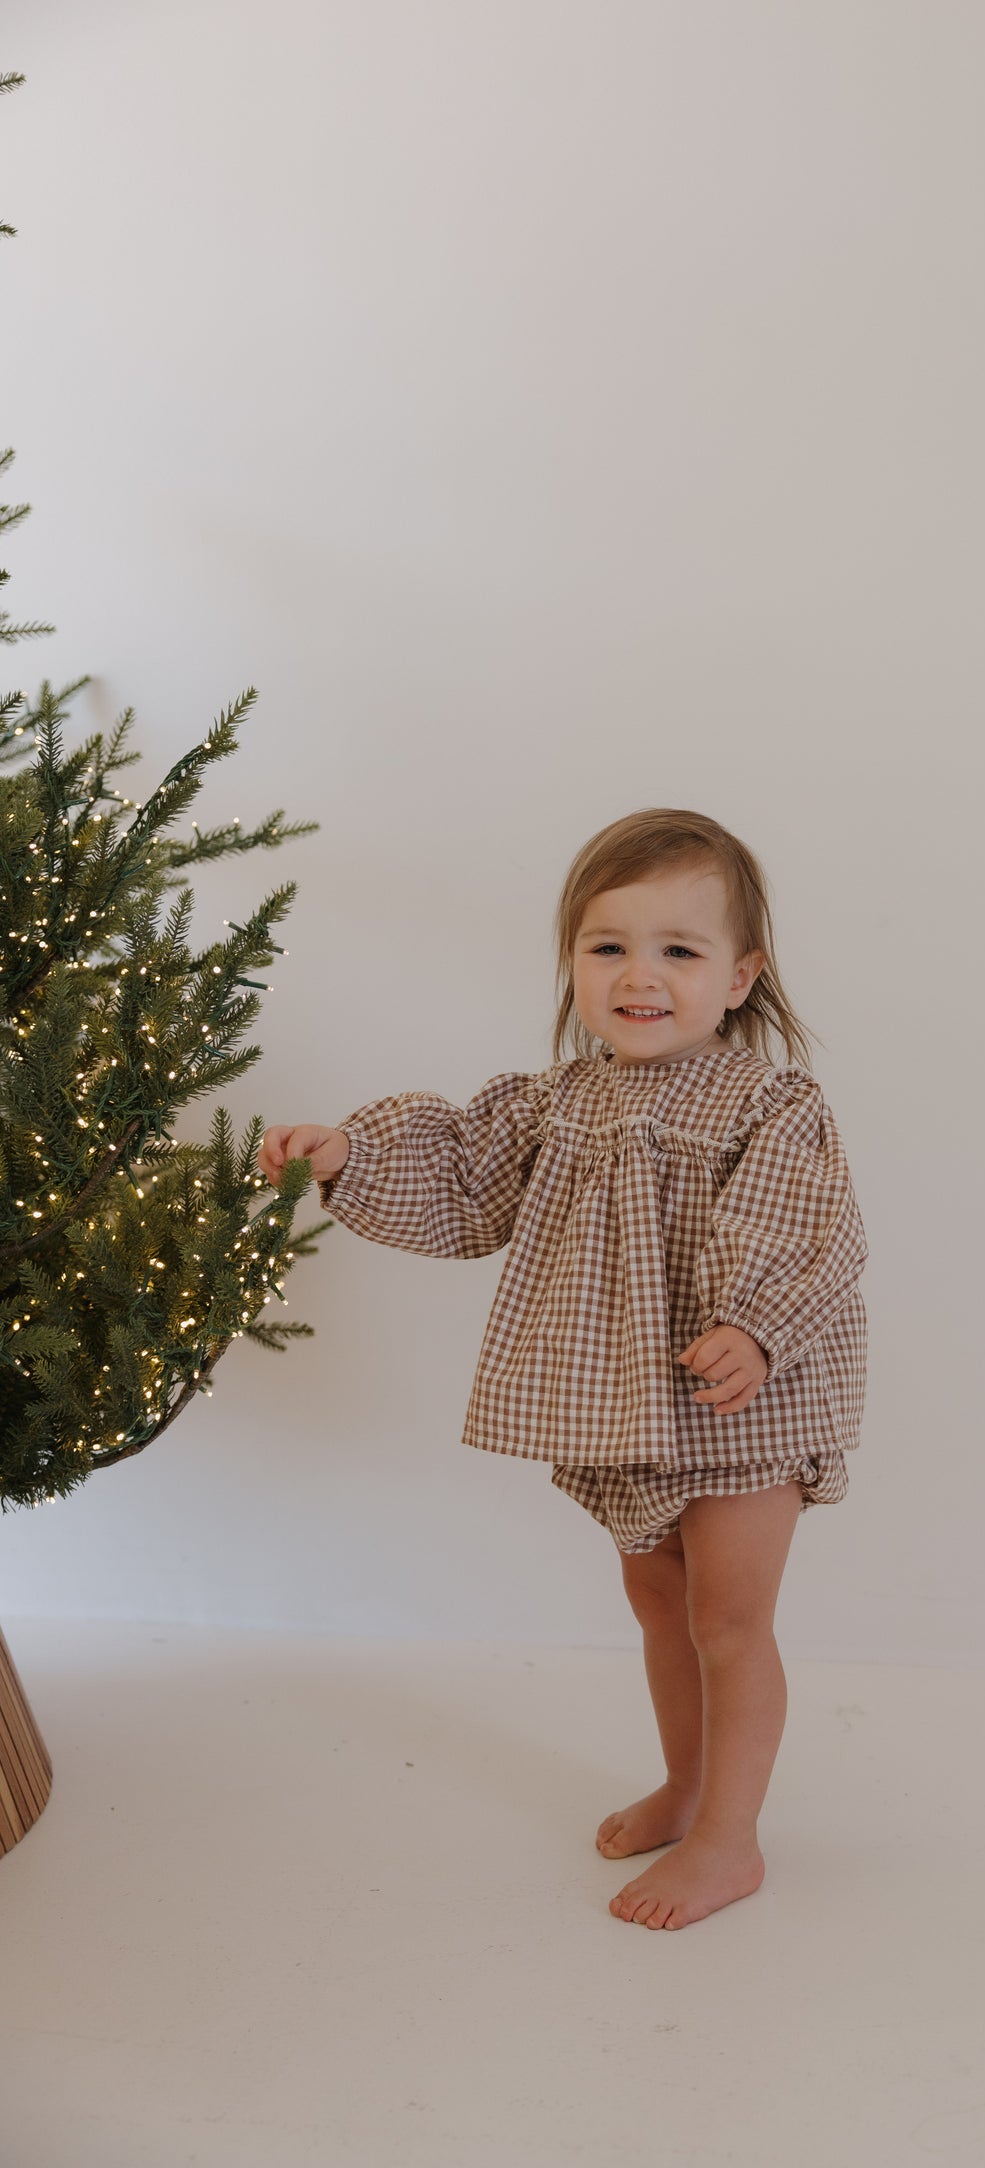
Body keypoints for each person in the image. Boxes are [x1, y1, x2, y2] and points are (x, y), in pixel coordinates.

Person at [258, 807, 868, 1930]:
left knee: (729, 1619)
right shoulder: (557, 1101)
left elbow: (804, 1225)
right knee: (657, 1596)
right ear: (573, 962)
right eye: (608, 946)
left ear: (740, 976)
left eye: (678, 951)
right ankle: (686, 1787)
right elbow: (465, 1173)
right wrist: (351, 1151)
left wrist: (753, 1323)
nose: (640, 976)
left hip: (741, 1396)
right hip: (625, 1406)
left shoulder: (769, 1103)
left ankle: (731, 1841)